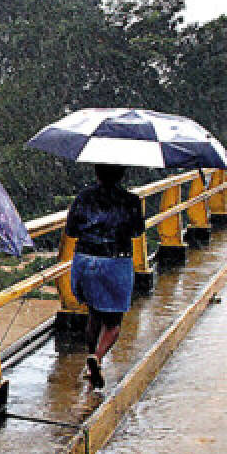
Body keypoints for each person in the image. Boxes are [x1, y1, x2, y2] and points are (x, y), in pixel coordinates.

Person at [64, 164, 145, 389]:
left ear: (97, 173)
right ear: (122, 174)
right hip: (115, 261)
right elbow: (137, 232)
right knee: (113, 323)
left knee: (94, 312)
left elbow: (71, 231)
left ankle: (91, 355)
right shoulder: (130, 201)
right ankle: (97, 358)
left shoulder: (83, 197)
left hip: (85, 259)